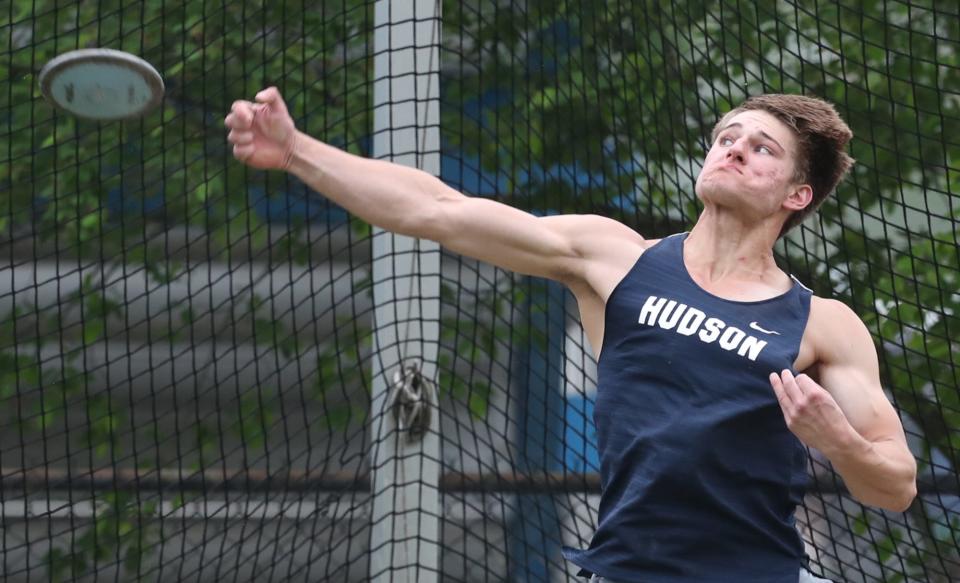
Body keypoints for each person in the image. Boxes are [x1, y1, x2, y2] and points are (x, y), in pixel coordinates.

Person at [225, 89, 917, 582]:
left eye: (760, 148)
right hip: (626, 569)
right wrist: (297, 152)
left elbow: (896, 485)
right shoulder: (614, 257)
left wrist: (838, 443)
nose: (733, 150)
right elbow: (437, 209)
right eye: (726, 136)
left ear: (797, 193)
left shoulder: (822, 322)